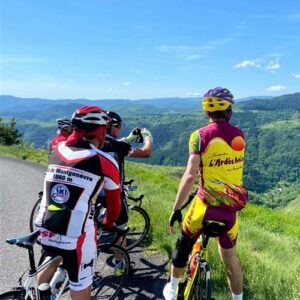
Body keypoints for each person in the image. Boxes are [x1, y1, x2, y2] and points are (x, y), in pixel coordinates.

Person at [163, 87, 247, 300]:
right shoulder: (239, 135)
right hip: (230, 211)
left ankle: (172, 290)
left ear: (206, 112)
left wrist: (176, 208)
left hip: (204, 207)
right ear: (229, 111)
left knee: (183, 243)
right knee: (230, 260)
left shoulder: (198, 136)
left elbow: (190, 176)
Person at [35, 105, 121, 300]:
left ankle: (35, 294)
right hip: (77, 234)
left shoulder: (57, 149)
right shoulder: (104, 160)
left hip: (47, 223)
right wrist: (108, 224)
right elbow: (114, 206)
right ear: (100, 132)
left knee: (51, 259)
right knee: (81, 284)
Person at [98, 111, 153, 251]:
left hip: (98, 193)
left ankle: (89, 261)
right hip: (115, 194)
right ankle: (119, 265)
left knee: (95, 228)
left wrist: (129, 138)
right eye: (118, 125)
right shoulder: (117, 146)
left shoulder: (97, 142)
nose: (120, 128)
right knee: (122, 231)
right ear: (109, 126)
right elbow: (146, 152)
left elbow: (115, 144)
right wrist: (148, 137)